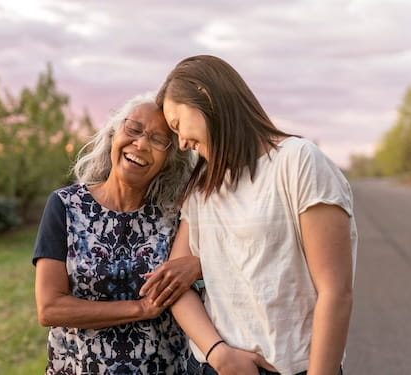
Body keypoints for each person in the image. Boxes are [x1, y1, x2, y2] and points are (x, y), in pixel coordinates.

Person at [143, 55, 357, 375]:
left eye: (177, 125)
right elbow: (175, 285)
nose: (183, 142)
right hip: (211, 367)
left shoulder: (297, 162)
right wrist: (219, 354)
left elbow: (335, 292)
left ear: (205, 95)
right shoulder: (203, 185)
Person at [33, 92, 200, 374]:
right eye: (133, 129)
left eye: (158, 140)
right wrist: (140, 308)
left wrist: (198, 265)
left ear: (171, 159)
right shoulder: (65, 205)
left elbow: (221, 263)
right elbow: (50, 308)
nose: (141, 144)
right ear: (113, 134)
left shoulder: (179, 214)